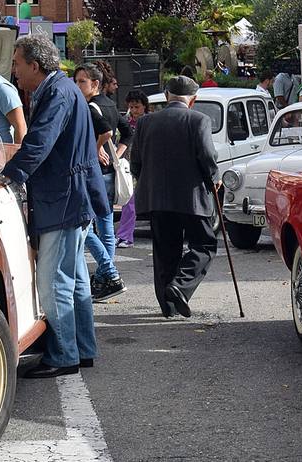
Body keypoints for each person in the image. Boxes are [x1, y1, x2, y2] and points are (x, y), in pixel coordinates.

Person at [0, 35, 105, 377]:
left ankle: (65, 354)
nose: (15, 70)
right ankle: (81, 349)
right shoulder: (64, 89)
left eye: (17, 63)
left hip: (63, 197)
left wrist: (8, 176)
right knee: (75, 277)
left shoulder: (56, 92)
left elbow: (39, 141)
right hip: (73, 194)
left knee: (54, 280)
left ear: (34, 66)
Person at [130, 75, 218, 318]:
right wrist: (214, 178)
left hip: (157, 197)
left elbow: (135, 162)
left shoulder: (146, 122)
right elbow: (207, 157)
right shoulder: (199, 120)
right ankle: (179, 286)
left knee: (165, 251)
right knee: (204, 244)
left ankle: (168, 306)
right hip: (190, 197)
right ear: (193, 100)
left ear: (167, 96)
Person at [75, 64, 124, 303]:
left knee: (86, 228)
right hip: (106, 173)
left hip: (94, 174)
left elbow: (106, 132)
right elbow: (125, 132)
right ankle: (107, 277)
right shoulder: (110, 104)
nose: (77, 86)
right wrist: (116, 152)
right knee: (105, 228)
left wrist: (94, 151)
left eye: (82, 81)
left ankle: (109, 274)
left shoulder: (90, 106)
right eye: (76, 81)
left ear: (95, 84)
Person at [115, 90, 147, 248]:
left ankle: (125, 235)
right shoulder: (125, 122)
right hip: (128, 166)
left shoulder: (148, 122)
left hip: (145, 166)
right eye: (131, 107)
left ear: (144, 107)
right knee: (129, 202)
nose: (134, 110)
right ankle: (124, 235)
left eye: (137, 107)